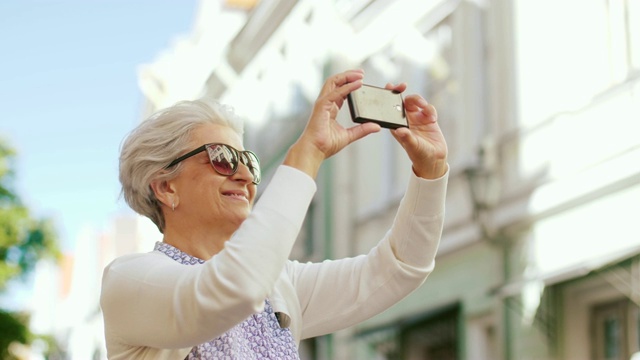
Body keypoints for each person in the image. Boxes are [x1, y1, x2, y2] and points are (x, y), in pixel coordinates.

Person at [100, 69, 449, 359]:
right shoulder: (129, 281)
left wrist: (430, 171)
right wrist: (307, 153)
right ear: (165, 187)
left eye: (248, 162)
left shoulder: (278, 284)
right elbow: (229, 291)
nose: (243, 175)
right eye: (221, 158)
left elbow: (398, 269)